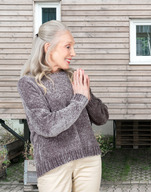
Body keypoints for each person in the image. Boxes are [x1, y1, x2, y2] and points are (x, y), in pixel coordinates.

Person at [17, 20, 109, 192]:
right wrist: (80, 99)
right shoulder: (28, 83)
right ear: (48, 47)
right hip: (54, 164)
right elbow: (46, 126)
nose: (73, 53)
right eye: (68, 46)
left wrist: (87, 97)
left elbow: (102, 117)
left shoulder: (73, 76)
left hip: (88, 160)